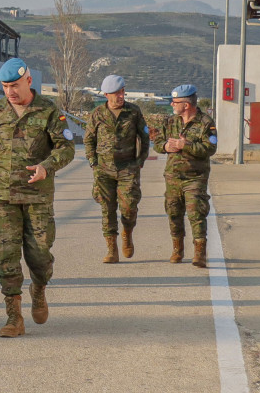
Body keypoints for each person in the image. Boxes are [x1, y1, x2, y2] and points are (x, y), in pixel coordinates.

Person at [0, 57, 74, 337]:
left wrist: (47, 167)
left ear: (29, 81)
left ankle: (39, 287)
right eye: (5, 86)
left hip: (37, 199)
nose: (10, 91)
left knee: (40, 257)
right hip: (3, 198)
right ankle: (14, 317)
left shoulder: (48, 111)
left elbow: (66, 148)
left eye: (15, 85)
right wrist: (3, 176)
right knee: (6, 257)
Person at [83, 74, 149, 263]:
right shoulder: (97, 114)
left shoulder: (133, 112)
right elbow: (88, 139)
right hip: (103, 170)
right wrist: (93, 163)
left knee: (129, 207)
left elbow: (144, 137)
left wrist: (140, 161)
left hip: (128, 168)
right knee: (107, 208)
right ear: (106, 95)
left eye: (122, 92)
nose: (121, 96)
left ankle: (127, 233)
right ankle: (112, 250)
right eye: (116, 93)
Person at [153, 84, 218, 268]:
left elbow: (210, 148)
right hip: (173, 176)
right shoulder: (169, 122)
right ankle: (177, 249)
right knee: (173, 213)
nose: (172, 105)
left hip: (195, 177)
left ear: (187, 105)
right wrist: (166, 147)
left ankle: (199, 253)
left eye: (175, 102)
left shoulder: (206, 123)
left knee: (196, 213)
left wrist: (185, 145)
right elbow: (157, 142)